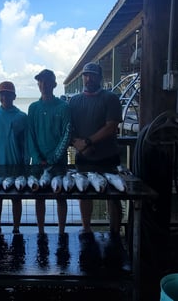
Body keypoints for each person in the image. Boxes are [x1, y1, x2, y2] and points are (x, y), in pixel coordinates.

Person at [69, 62, 123, 235]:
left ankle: (114, 230)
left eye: (92, 75)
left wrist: (88, 142)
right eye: (86, 75)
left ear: (100, 77)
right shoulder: (74, 100)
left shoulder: (111, 98)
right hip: (84, 157)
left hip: (108, 156)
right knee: (84, 194)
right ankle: (86, 229)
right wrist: (77, 143)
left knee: (113, 195)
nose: (88, 78)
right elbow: (68, 127)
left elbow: (111, 126)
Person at [27, 69, 71, 235]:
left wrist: (54, 157)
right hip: (38, 162)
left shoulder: (64, 107)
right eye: (40, 81)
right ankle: (40, 231)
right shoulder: (33, 108)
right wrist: (38, 158)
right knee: (39, 197)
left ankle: (61, 231)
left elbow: (67, 134)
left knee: (61, 196)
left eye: (47, 81)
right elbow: (30, 136)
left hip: (58, 161)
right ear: (38, 84)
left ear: (54, 84)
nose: (43, 85)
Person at [0, 81, 28, 234]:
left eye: (8, 94)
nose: (4, 97)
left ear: (14, 96)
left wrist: (26, 163)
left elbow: (26, 144)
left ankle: (16, 228)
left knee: (16, 198)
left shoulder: (22, 116)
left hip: (16, 164)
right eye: (2, 94)